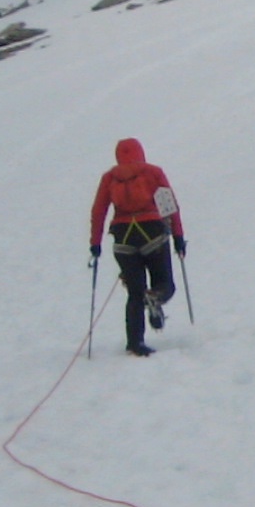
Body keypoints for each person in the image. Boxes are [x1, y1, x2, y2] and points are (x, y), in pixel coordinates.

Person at [88, 138, 186, 358]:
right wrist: (178, 237)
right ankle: (156, 297)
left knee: (134, 293)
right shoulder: (153, 173)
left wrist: (95, 244)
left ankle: (135, 343)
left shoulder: (109, 178)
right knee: (165, 283)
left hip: (123, 239)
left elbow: (99, 211)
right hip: (153, 233)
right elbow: (169, 206)